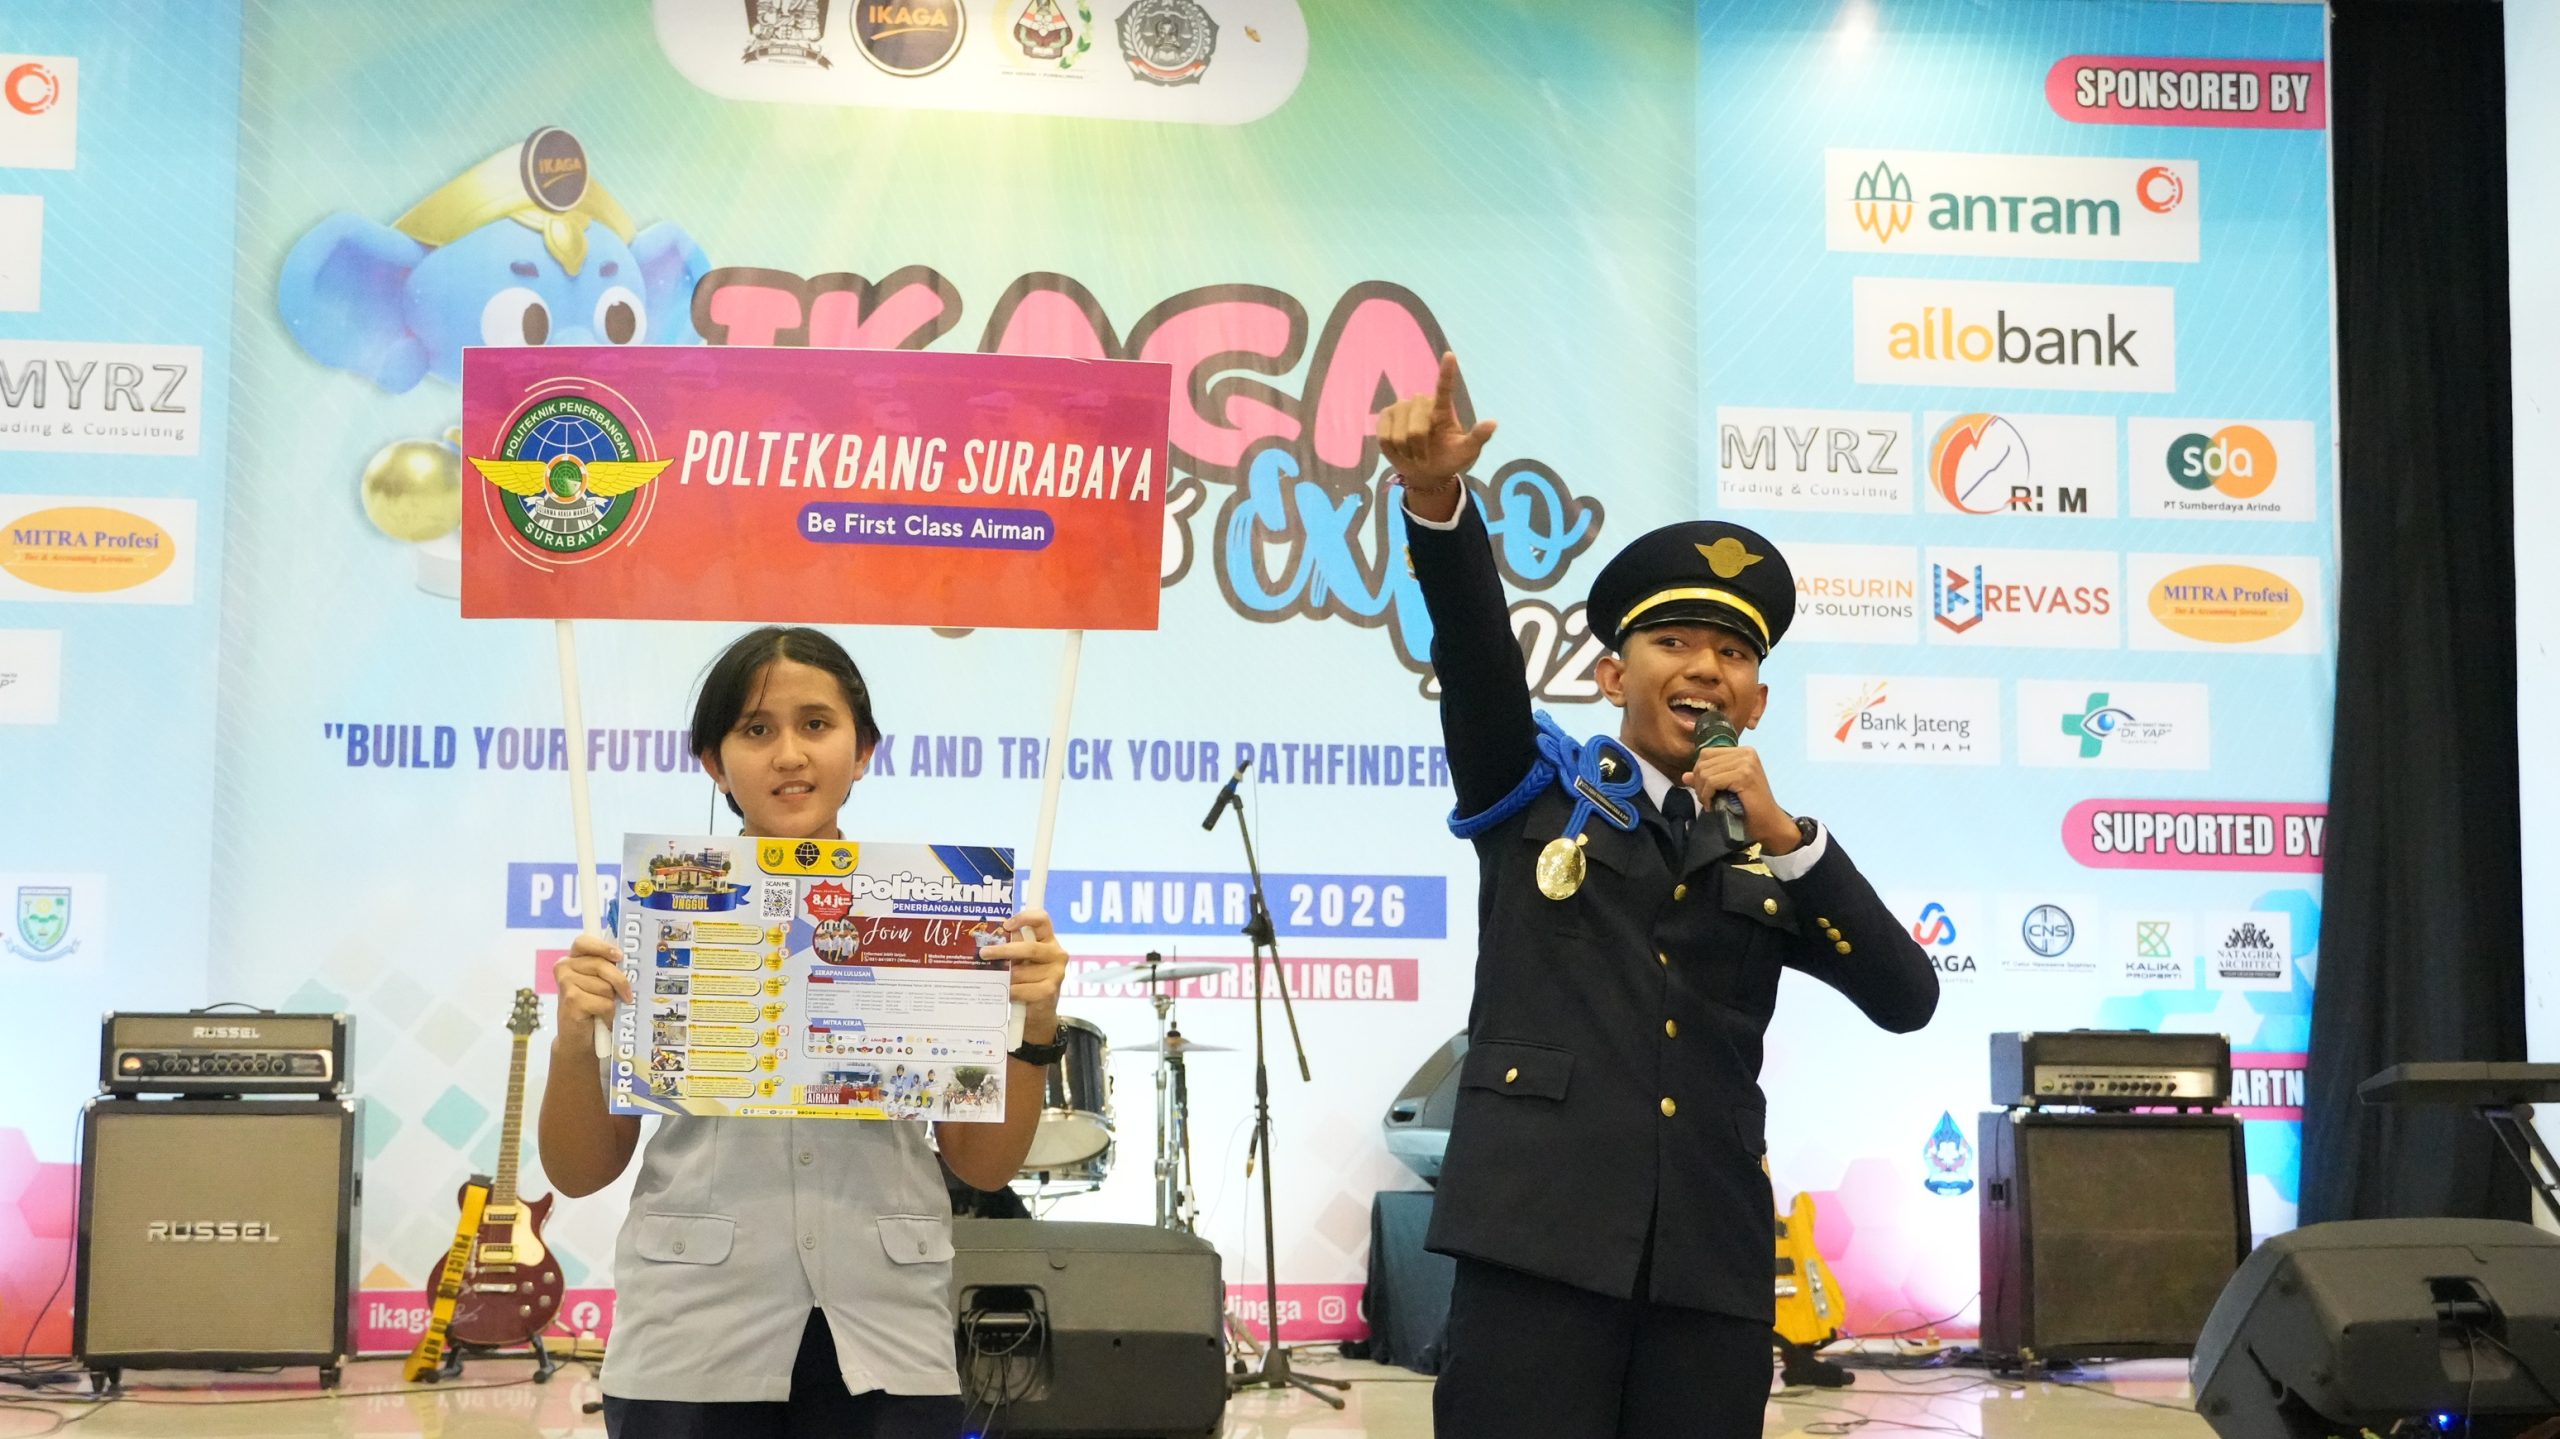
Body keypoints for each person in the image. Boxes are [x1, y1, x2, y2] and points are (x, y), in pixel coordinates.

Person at [1375, 355, 1939, 1438]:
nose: (1704, 668)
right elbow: (1478, 654)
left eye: (1732, 653)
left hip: (1708, 1269)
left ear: (1756, 700)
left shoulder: (1766, 850)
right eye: (1671, 642)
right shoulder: (1534, 792)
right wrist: (1437, 502)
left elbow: (1907, 996)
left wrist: (1786, 835)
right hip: (1537, 1248)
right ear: (1610, 675)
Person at [538, 625, 1070, 1439]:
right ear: (714, 762)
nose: (789, 753)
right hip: (691, 1338)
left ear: (863, 751)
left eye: (816, 724)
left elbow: (984, 1166)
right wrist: (575, 1038)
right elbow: (578, 1172)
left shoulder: (936, 915)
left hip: (887, 1336)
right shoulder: (654, 918)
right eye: (756, 729)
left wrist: (1032, 1027)